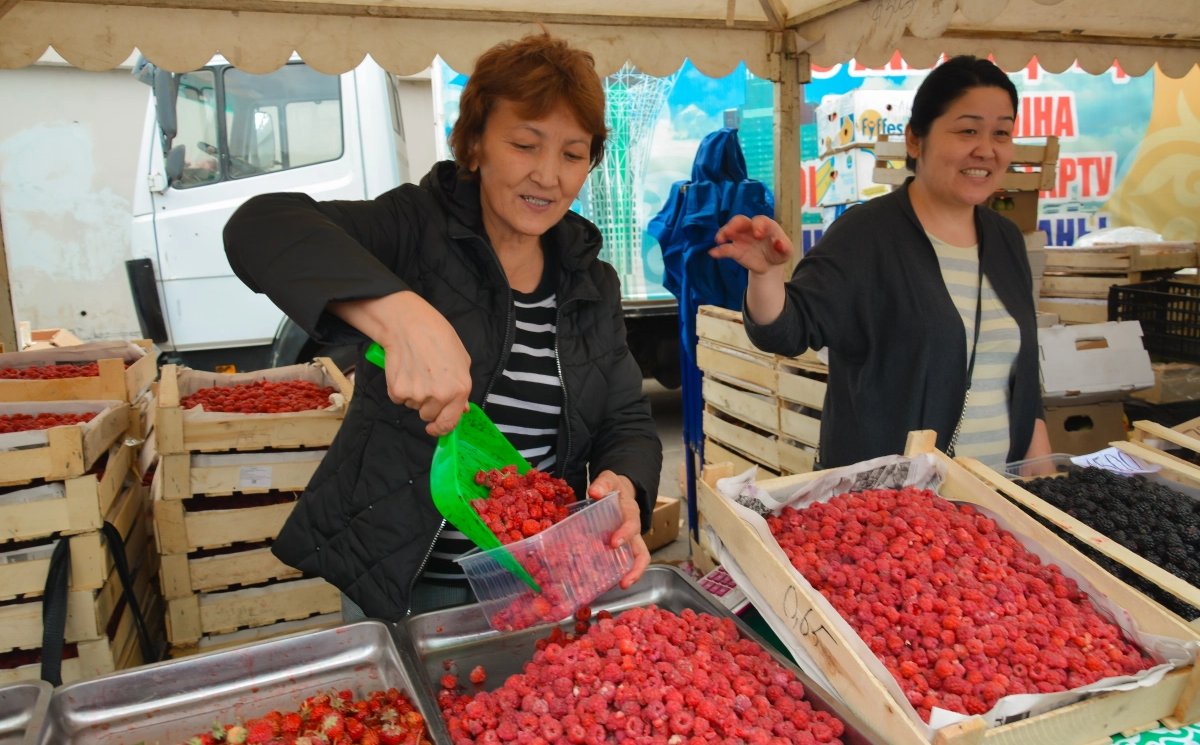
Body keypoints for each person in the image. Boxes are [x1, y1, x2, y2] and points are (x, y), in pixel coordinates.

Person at [223, 32, 662, 621]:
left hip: (529, 583)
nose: (549, 176)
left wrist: (624, 485)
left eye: (572, 154)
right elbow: (260, 227)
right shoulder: (416, 228)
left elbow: (626, 418)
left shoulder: (591, 281)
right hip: (402, 582)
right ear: (476, 143)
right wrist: (400, 315)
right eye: (525, 145)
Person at [711, 55, 1051, 469]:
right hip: (893, 517)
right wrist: (766, 275)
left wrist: (1041, 484)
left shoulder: (1006, 239)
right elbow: (788, 329)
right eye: (967, 130)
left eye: (1002, 132)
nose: (986, 149)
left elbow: (1023, 384)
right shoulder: (868, 234)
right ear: (915, 140)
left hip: (993, 514)